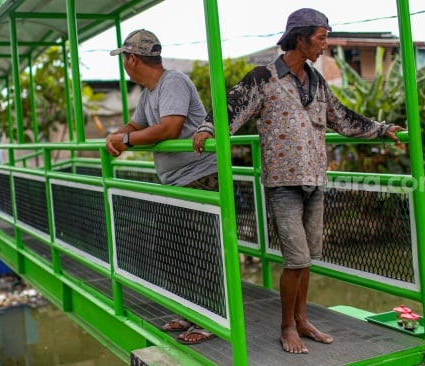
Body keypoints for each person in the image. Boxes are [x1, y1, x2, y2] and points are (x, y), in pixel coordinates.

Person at [192, 8, 405, 354]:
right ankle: (287, 326)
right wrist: (208, 128)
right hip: (282, 183)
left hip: (314, 179)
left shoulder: (317, 82)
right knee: (295, 259)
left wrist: (382, 129)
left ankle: (303, 319)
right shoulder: (263, 77)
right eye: (321, 38)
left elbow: (344, 119)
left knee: (307, 258)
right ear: (300, 37)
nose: (325, 45)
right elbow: (231, 108)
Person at [106, 29, 218, 345]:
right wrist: (115, 135)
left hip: (198, 178)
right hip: (175, 182)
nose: (125, 65)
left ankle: (210, 319)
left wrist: (124, 140)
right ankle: (190, 312)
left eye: (124, 59)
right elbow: (136, 125)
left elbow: (169, 127)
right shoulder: (148, 94)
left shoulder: (173, 82)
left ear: (131, 58)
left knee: (201, 252)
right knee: (176, 251)